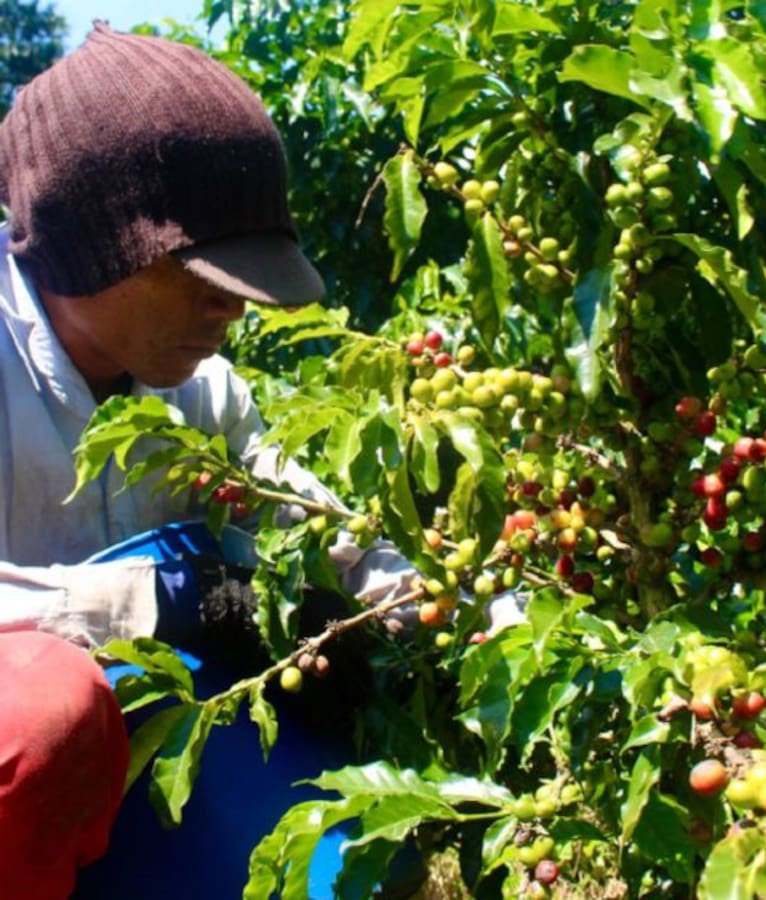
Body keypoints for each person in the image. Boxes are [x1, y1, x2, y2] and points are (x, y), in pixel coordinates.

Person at [0, 22, 419, 898]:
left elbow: (308, 516)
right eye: (203, 279)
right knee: (38, 716)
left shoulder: (202, 394)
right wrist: (145, 599)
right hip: (41, 757)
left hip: (138, 742)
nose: (230, 312)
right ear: (94, 249)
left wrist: (430, 602)